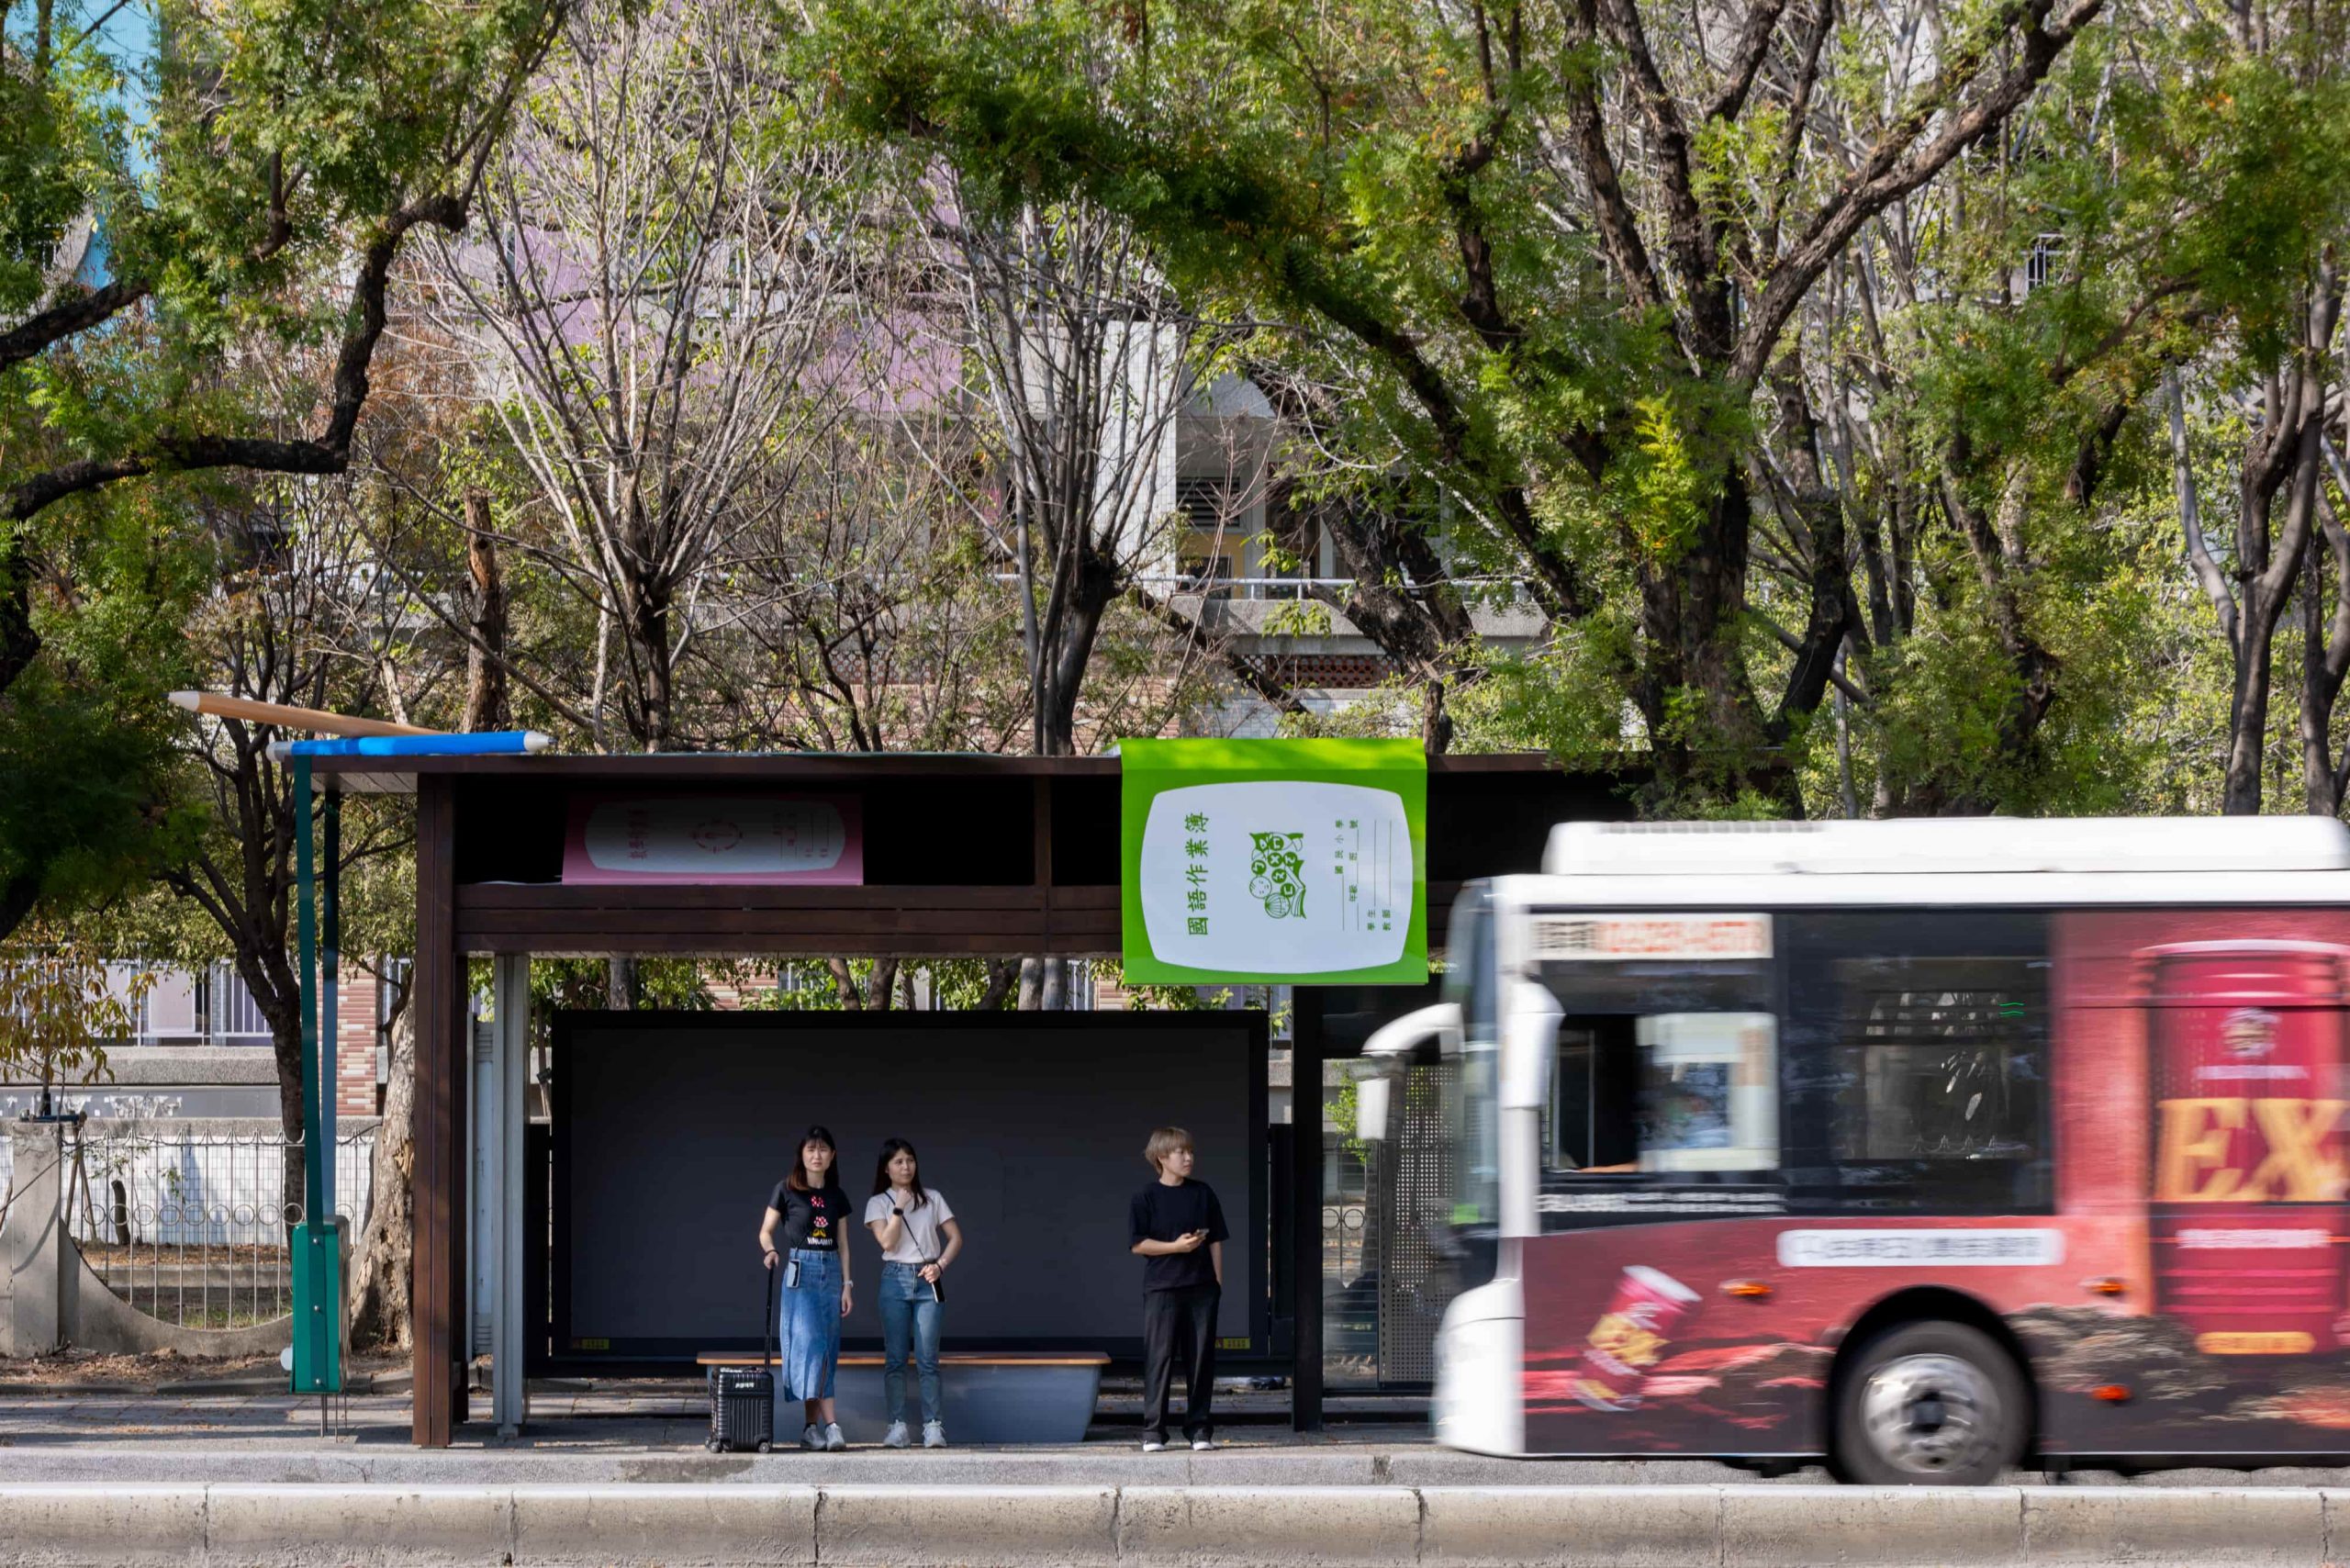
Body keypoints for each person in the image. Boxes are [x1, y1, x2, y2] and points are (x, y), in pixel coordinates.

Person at [1127, 1126, 1228, 1453]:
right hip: (1162, 1289)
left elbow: (1215, 1241)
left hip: (1202, 1289)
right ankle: (1153, 1431)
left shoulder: (1203, 1193)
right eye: (1180, 1152)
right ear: (1161, 1157)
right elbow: (1138, 1245)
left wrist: (1217, 1281)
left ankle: (1199, 1430)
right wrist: (1176, 1247)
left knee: (1201, 1361)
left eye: (1190, 1151)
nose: (1188, 1158)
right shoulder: (1145, 1196)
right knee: (1160, 1358)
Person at [759, 1124, 855, 1450]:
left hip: (830, 1270)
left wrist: (848, 1285)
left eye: (823, 1149)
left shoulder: (836, 1195)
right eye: (811, 1149)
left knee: (827, 1347)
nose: (817, 1155)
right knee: (811, 1347)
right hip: (800, 1271)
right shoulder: (786, 1189)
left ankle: (812, 1428)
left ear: (832, 1156)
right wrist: (771, 1251)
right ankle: (831, 1426)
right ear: (802, 1154)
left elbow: (843, 1244)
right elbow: (765, 1232)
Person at [865, 1137, 964, 1449]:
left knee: (927, 1358)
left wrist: (941, 1266)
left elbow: (956, 1237)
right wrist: (898, 1208)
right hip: (894, 1279)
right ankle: (897, 1426)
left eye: (910, 1159)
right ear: (886, 1168)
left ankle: (934, 1426)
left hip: (926, 1278)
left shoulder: (932, 1198)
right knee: (895, 1358)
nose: (905, 1166)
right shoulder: (878, 1202)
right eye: (898, 1161)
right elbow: (887, 1244)